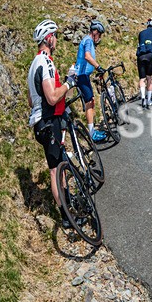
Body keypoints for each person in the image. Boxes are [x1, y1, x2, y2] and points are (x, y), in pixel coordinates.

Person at [27, 19, 77, 215]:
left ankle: (68, 206)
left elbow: (31, 101)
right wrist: (69, 83)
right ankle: (66, 215)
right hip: (49, 121)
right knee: (56, 171)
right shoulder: (45, 61)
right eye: (54, 35)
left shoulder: (33, 65)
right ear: (48, 38)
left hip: (41, 123)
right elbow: (52, 97)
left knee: (58, 165)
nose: (56, 39)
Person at [74, 20, 107, 142]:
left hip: (84, 75)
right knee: (89, 102)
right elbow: (87, 56)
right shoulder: (88, 40)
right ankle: (92, 133)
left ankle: (92, 130)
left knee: (91, 101)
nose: (100, 37)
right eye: (100, 34)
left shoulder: (88, 41)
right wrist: (98, 66)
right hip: (81, 75)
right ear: (95, 32)